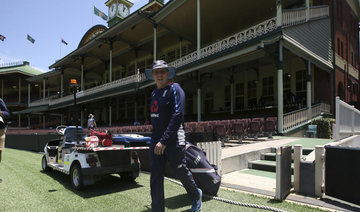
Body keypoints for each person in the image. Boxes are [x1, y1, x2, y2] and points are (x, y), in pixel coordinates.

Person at [145, 60, 202, 212]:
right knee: (155, 175)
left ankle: (196, 195)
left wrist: (164, 141)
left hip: (174, 137)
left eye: (162, 71)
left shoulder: (175, 89)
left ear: (168, 73)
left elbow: (177, 116)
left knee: (180, 169)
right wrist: (157, 139)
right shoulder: (154, 93)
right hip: (157, 138)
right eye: (156, 72)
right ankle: (157, 209)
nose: (159, 75)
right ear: (153, 75)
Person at [0, 98, 10, 183]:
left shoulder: (0, 101)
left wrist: (1, 113)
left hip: (0, 131)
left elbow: (7, 114)